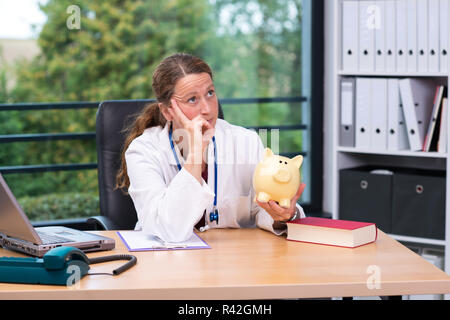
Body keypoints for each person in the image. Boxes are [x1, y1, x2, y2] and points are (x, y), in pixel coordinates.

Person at [116, 53, 306, 242]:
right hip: (164, 260)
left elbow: (261, 209)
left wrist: (283, 216)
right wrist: (196, 152)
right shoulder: (143, 150)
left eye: (210, 93)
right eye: (192, 99)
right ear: (167, 111)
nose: (207, 109)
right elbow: (169, 230)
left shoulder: (245, 141)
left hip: (232, 260)